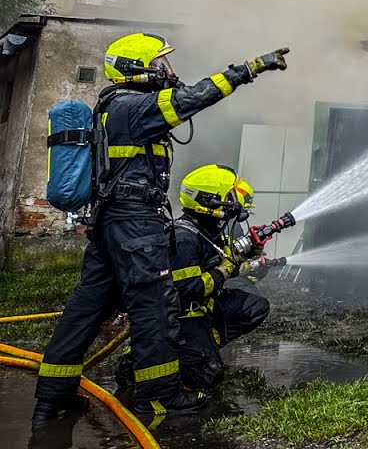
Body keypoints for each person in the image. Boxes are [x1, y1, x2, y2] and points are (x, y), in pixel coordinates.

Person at [32, 33, 288, 422]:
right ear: (135, 68)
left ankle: (52, 399)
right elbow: (192, 98)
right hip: (136, 225)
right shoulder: (134, 107)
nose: (166, 70)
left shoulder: (111, 108)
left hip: (109, 223)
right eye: (158, 63)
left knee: (85, 313)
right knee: (155, 309)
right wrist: (248, 70)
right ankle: (159, 398)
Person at [116, 165, 272, 392]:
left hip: (203, 308)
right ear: (209, 201)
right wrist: (224, 269)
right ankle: (135, 363)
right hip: (179, 315)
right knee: (208, 376)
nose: (234, 205)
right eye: (228, 199)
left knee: (254, 307)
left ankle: (199, 348)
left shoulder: (210, 230)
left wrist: (251, 252)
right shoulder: (185, 239)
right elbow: (189, 290)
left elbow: (228, 261)